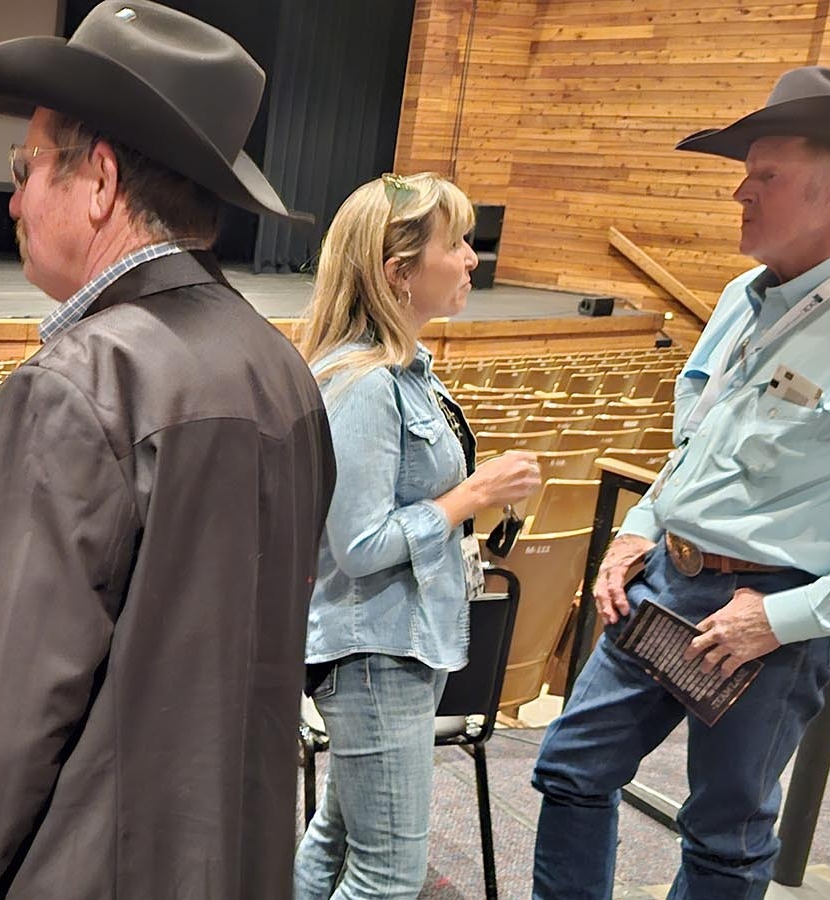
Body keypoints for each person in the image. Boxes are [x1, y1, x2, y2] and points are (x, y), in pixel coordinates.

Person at [0, 2, 337, 897]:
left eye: (25, 167)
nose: (13, 197)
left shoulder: (80, 383)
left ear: (97, 179)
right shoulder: (282, 367)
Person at [531, 66, 830, 899]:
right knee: (570, 770)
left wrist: (782, 619)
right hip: (666, 584)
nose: (740, 195)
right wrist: (642, 523)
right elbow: (697, 442)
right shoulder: (737, 297)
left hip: (769, 616)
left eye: (764, 175)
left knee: (724, 835)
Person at [292, 173, 542, 899]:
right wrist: (473, 495)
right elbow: (361, 544)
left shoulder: (401, 371)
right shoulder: (366, 384)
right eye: (456, 243)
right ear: (398, 271)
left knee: (337, 840)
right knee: (388, 878)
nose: (472, 258)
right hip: (375, 653)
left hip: (399, 644)